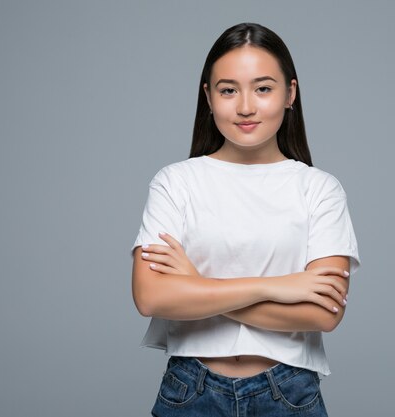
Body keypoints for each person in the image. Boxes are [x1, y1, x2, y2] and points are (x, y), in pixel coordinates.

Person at [131, 22, 360, 417]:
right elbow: (151, 297)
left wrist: (197, 287)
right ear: (208, 97)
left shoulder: (319, 189)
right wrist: (280, 287)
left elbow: (323, 314)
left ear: (291, 93)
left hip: (288, 394)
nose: (246, 107)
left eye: (263, 88)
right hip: (190, 391)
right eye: (228, 90)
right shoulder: (176, 182)